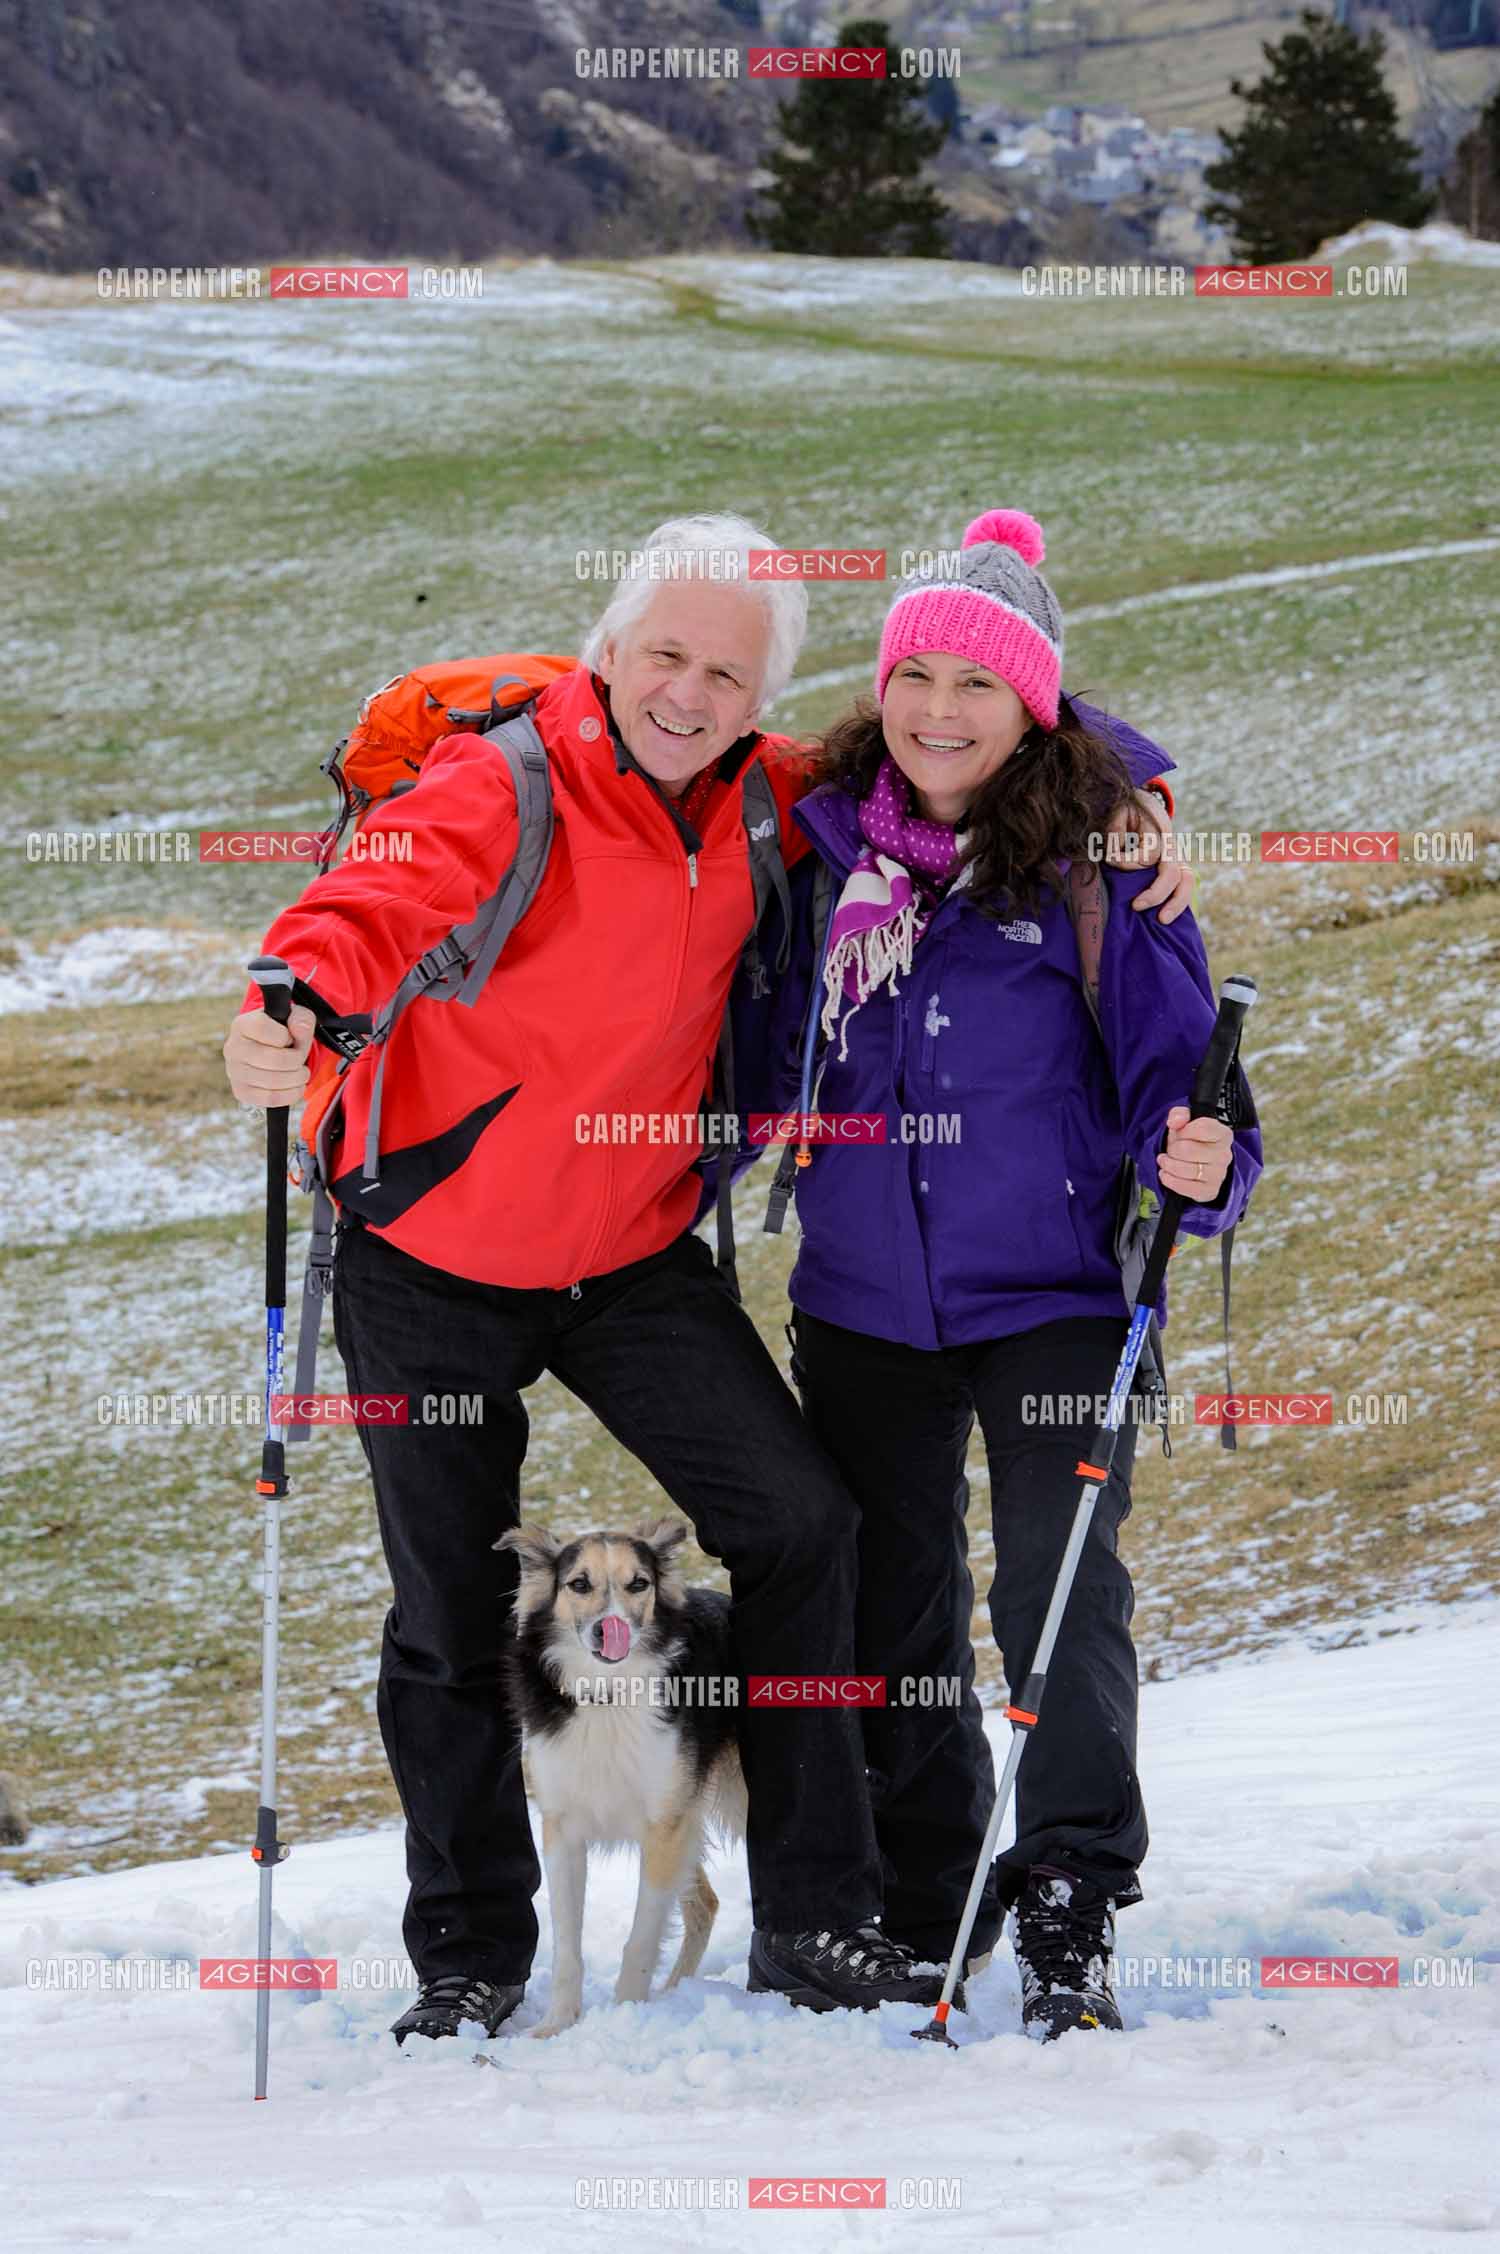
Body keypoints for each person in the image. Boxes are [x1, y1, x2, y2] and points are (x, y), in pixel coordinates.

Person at [221, 513, 1193, 2041]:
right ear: (606, 650)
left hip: (626, 1259)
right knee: (449, 1603)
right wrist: (285, 997)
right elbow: (370, 904)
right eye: (665, 654)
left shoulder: (779, 796)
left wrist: (1141, 809)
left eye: (729, 673)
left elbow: (991, 735)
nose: (689, 691)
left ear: (764, 700)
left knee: (805, 1523)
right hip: (429, 1250)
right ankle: (470, 1947)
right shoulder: (504, 780)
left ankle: (819, 1918)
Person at [765, 507, 1263, 2040]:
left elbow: (1195, 1098)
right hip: (860, 1297)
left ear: (1034, 702)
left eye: (977, 684)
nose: (937, 710)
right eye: (913, 673)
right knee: (891, 1597)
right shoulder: (829, 841)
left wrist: (1205, 1163)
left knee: (1056, 1592)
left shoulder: (1104, 863)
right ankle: (931, 1879)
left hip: (1055, 1293)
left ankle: (1069, 1892)